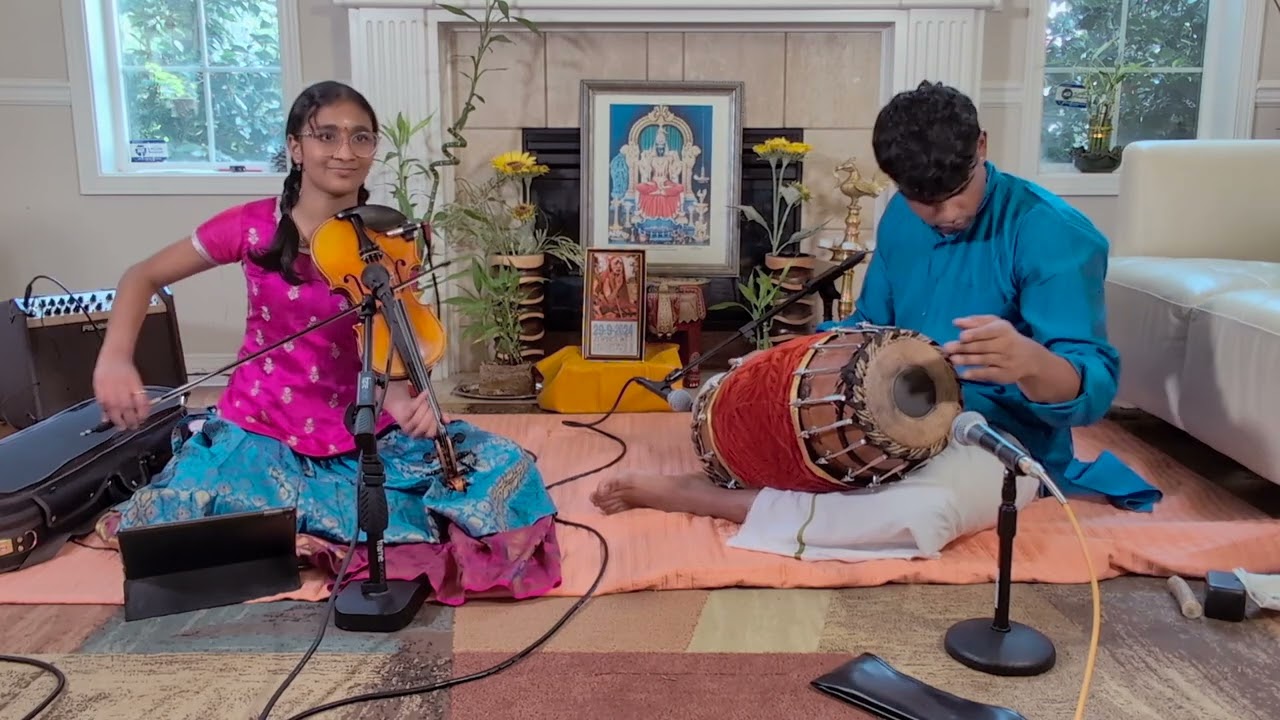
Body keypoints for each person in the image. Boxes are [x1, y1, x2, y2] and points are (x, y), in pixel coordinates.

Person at [590, 81, 1160, 561]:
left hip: (989, 439)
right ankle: (768, 477)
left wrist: (1033, 364)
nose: (946, 215)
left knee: (922, 513)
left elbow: (1092, 391)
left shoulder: (1055, 234)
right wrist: (780, 363)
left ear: (982, 146)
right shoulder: (900, 220)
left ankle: (713, 500)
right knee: (736, 392)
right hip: (883, 410)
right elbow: (869, 326)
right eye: (923, 202)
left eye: (956, 194)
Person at [91, 81, 561, 603]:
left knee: (506, 469)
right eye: (326, 136)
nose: (344, 151)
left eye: (361, 138)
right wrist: (114, 359)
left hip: (362, 428)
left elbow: (386, 348)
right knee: (178, 520)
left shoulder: (389, 241)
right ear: (296, 147)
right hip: (263, 427)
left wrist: (407, 402)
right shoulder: (251, 227)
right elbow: (141, 276)